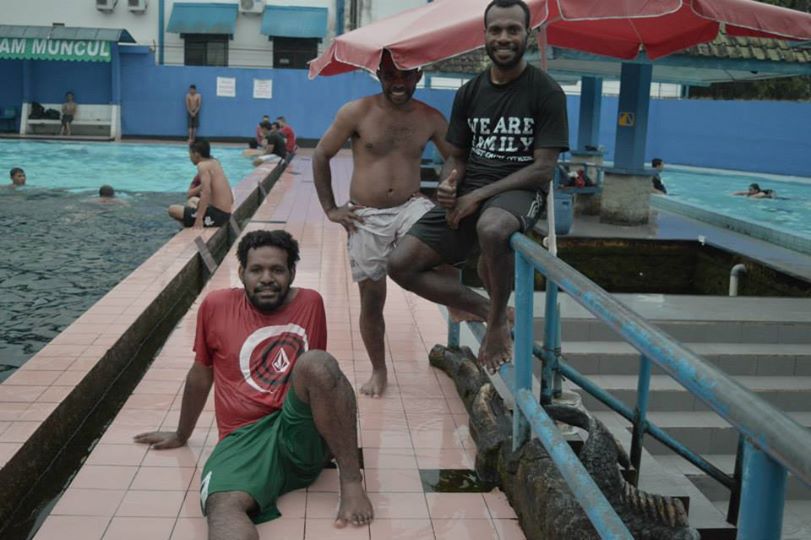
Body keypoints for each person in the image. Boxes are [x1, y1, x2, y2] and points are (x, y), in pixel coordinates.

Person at [134, 230, 373, 537]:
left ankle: (351, 483)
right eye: (256, 270)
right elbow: (201, 373)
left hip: (297, 431)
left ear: (292, 273)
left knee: (318, 363)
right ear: (241, 273)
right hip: (242, 439)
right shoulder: (216, 306)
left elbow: (320, 384)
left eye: (277, 270)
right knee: (222, 506)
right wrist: (182, 433)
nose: (267, 278)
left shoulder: (310, 302)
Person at [388, 0, 569, 374]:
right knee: (400, 264)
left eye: (513, 30)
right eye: (496, 29)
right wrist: (449, 184)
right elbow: (456, 156)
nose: (504, 37)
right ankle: (487, 309)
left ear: (527, 35)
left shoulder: (546, 92)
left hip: (519, 190)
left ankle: (497, 322)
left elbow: (543, 168)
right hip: (472, 190)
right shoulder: (469, 92)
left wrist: (478, 195)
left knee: (492, 228)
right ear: (484, 35)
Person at [313, 49, 451, 397]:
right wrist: (330, 209)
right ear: (379, 75)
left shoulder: (431, 118)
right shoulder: (356, 112)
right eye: (390, 75)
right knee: (372, 300)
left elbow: (455, 158)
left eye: (405, 74)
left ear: (419, 75)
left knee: (448, 236)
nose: (398, 82)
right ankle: (378, 369)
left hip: (411, 205)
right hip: (366, 214)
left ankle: (459, 303)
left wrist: (449, 184)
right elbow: (321, 154)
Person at [168, 139, 234, 229]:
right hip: (225, 213)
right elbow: (229, 193)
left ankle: (190, 226)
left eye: (190, 154)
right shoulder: (214, 162)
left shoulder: (202, 166)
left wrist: (199, 218)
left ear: (196, 154)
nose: (189, 157)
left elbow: (206, 192)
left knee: (172, 209)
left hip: (217, 217)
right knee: (192, 200)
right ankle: (190, 221)